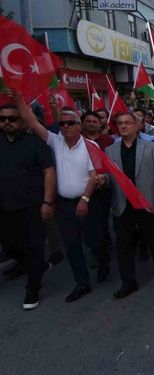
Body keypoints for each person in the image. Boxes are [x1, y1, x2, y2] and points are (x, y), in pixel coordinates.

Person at [14, 90, 97, 303]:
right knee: (72, 245)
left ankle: (103, 262)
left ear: (80, 125)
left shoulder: (90, 146)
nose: (66, 127)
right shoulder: (55, 142)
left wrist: (85, 200)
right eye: (62, 124)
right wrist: (19, 97)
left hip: (87, 202)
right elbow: (31, 121)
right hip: (64, 206)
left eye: (70, 123)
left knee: (95, 240)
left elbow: (93, 176)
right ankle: (83, 282)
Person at [99, 112, 154, 298]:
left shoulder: (151, 148)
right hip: (122, 206)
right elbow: (110, 178)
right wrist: (102, 180)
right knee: (123, 244)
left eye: (128, 123)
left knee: (153, 238)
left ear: (137, 126)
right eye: (120, 123)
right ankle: (128, 282)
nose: (123, 126)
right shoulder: (111, 150)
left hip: (146, 202)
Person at [0, 103, 56, 310]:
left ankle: (32, 288)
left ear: (22, 122)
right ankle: (38, 266)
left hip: (32, 205)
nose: (7, 122)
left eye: (12, 119)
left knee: (35, 246)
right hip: (4, 206)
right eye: (3, 119)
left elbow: (49, 172)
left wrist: (48, 201)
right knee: (10, 246)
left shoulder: (35, 143)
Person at [81, 111, 114, 282]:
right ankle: (98, 249)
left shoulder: (108, 141)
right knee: (90, 227)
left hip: (104, 187)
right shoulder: (78, 142)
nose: (92, 123)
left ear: (100, 124)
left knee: (101, 221)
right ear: (83, 123)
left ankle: (103, 253)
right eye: (88, 121)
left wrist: (105, 179)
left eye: (95, 121)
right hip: (84, 189)